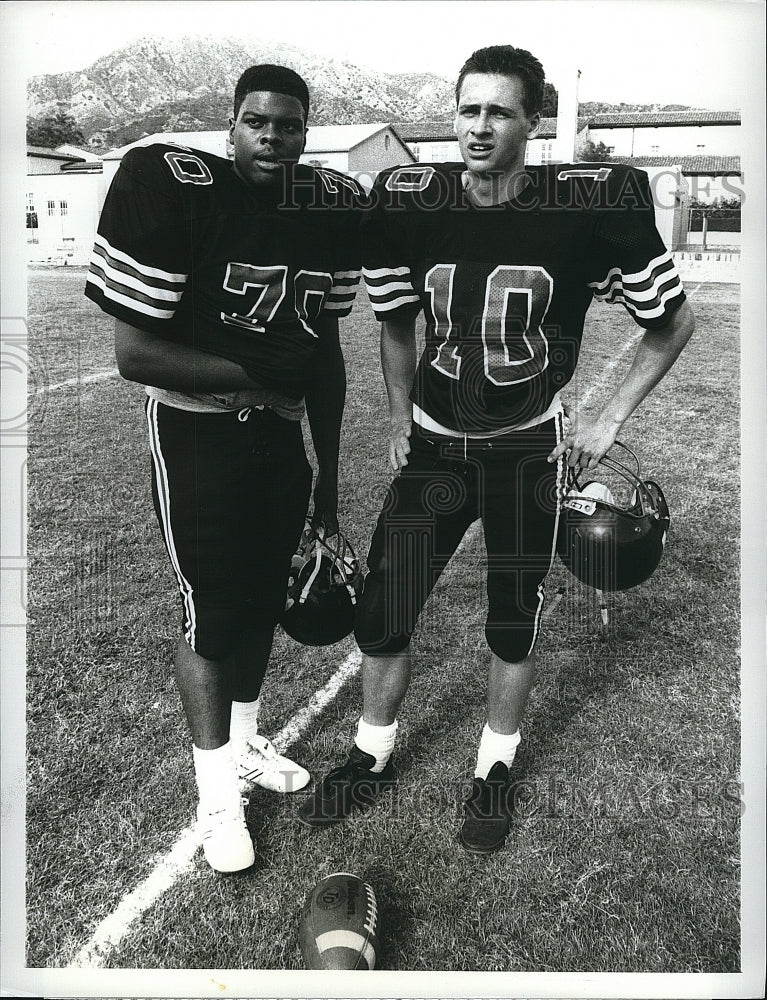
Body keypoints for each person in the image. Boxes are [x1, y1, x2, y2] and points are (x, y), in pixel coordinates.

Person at [297, 45, 694, 853]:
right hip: (437, 452)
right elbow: (397, 317)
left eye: (499, 111)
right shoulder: (414, 201)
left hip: (524, 452)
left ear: (533, 121)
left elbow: (672, 320)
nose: (479, 126)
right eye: (467, 108)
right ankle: (371, 754)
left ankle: (495, 766)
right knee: (385, 610)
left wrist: (606, 416)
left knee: (512, 621)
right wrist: (403, 409)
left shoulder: (581, 208)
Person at [85, 65, 367, 873]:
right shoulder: (178, 188)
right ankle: (215, 799)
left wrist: (329, 486)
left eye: (287, 124)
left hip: (275, 438)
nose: (271, 137)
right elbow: (135, 354)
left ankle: (243, 744)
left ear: (306, 131)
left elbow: (324, 363)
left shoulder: (324, 210)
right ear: (231, 126)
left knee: (261, 599)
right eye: (256, 122)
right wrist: (255, 375)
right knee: (211, 614)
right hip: (197, 432)